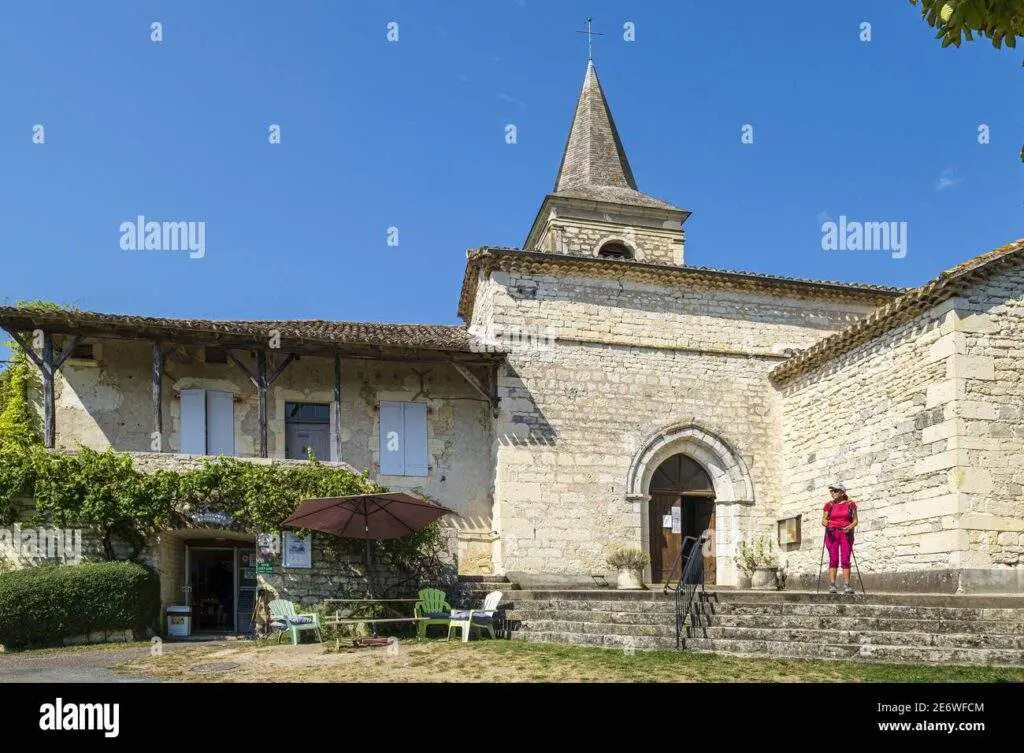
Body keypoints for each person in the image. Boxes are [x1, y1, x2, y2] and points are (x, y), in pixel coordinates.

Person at [821, 482, 858, 595]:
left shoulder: (851, 504)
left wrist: (850, 527)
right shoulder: (829, 505)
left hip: (846, 533)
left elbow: (855, 521)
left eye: (835, 491)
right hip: (832, 533)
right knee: (833, 558)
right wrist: (826, 523)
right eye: (831, 491)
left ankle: (847, 585)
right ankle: (832, 585)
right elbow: (823, 520)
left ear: (842, 492)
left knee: (846, 558)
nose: (832, 493)